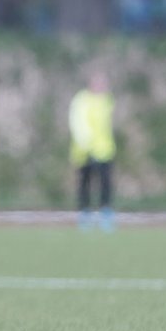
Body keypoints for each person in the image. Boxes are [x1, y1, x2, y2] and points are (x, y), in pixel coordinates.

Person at [69, 70, 116, 232]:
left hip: (105, 151)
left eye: (103, 82)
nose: (101, 86)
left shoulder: (107, 100)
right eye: (97, 82)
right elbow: (77, 123)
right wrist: (86, 142)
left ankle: (106, 215)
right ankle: (85, 215)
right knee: (85, 184)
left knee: (105, 184)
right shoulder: (82, 100)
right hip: (84, 151)